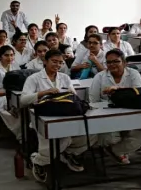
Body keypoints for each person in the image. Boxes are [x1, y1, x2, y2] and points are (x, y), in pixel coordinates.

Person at [21, 50, 90, 182]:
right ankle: (39, 161)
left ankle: (63, 154)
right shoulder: (33, 79)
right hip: (43, 118)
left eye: (60, 62)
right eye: (54, 61)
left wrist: (70, 93)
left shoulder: (64, 77)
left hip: (65, 115)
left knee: (89, 135)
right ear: (45, 61)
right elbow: (23, 100)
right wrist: (43, 93)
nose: (57, 65)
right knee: (59, 140)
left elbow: (73, 97)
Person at [89, 49, 141, 164]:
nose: (112, 65)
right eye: (109, 62)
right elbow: (93, 101)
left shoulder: (133, 74)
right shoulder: (100, 77)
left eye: (116, 61)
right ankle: (118, 150)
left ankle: (116, 150)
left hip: (131, 113)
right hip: (108, 116)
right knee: (110, 138)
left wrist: (118, 90)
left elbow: (140, 93)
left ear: (124, 62)